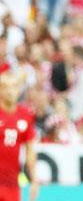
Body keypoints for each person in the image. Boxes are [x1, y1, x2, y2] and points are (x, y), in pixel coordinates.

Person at [0, 72, 39, 201]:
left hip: (12, 184)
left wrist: (34, 179)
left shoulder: (25, 115)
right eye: (6, 87)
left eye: (14, 87)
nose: (11, 91)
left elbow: (30, 150)